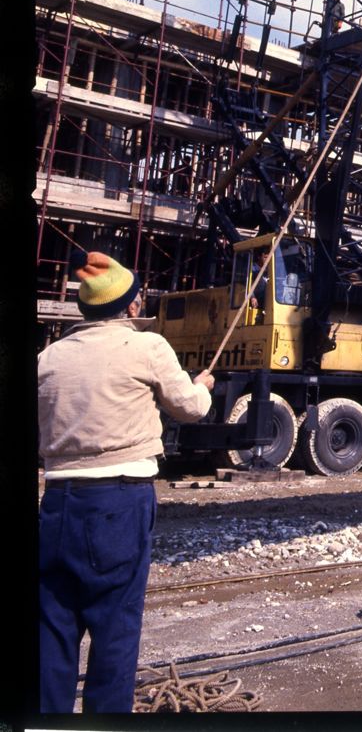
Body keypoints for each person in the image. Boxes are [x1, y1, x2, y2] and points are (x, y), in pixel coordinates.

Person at [38, 250, 215, 713]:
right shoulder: (147, 346)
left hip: (56, 504)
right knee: (114, 634)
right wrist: (204, 387)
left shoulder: (47, 358)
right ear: (132, 306)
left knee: (51, 636)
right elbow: (190, 408)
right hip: (119, 503)